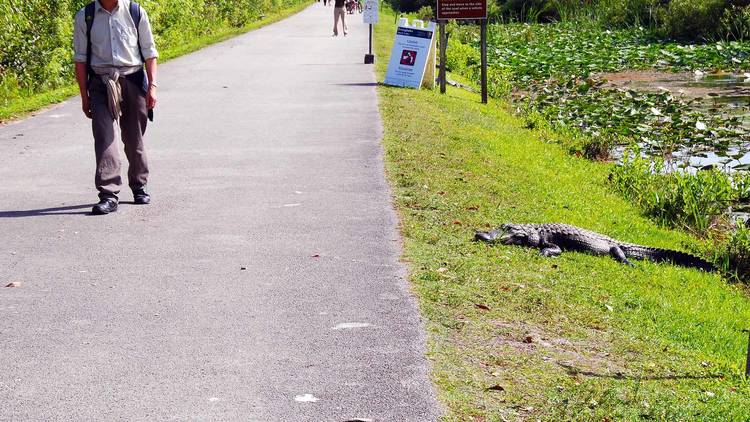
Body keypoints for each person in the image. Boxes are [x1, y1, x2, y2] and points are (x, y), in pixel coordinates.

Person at [73, 0, 159, 215]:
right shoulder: (86, 15)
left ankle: (139, 185)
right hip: (100, 82)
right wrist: (85, 96)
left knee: (133, 137)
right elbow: (80, 59)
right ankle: (108, 194)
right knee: (104, 136)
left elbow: (149, 53)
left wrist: (153, 87)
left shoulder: (135, 11)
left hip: (132, 78)